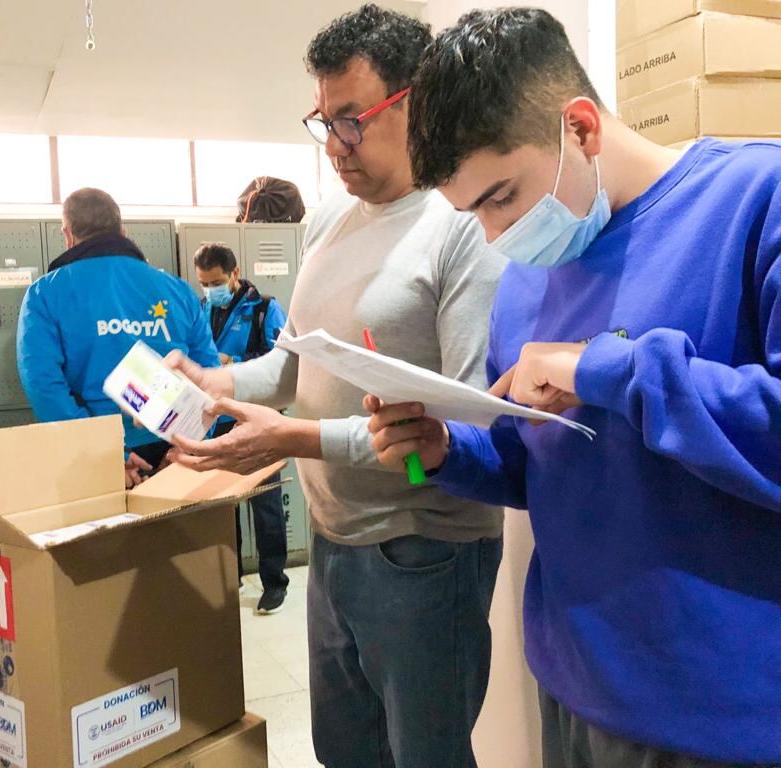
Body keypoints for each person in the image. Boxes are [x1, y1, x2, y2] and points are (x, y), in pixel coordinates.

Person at [366, 8, 781, 768]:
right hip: (574, 685)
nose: (495, 238)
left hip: (722, 713)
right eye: (471, 215)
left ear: (581, 128)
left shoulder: (757, 200)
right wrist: (449, 451)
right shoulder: (525, 283)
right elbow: (541, 465)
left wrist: (601, 367)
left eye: (500, 198)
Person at [168, 6, 507, 766]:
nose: (334, 148)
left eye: (352, 121)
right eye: (323, 123)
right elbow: (293, 364)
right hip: (334, 542)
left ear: (414, 99)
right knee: (346, 755)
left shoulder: (461, 225)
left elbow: (463, 420)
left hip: (424, 552)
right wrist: (211, 377)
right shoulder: (328, 223)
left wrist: (294, 440)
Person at [16, 187, 219, 487]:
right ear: (123, 232)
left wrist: (106, 452)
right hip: (175, 453)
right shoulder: (177, 290)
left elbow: (43, 384)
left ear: (67, 235)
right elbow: (209, 374)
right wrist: (192, 444)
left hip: (95, 459)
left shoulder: (45, 294)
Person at [194, 242, 290, 613]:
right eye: (203, 283)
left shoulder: (265, 308)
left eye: (216, 282)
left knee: (265, 504)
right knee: (223, 505)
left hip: (256, 418)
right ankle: (229, 577)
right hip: (216, 419)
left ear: (234, 274)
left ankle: (274, 582)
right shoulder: (202, 309)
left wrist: (234, 361)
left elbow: (283, 363)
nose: (210, 290)